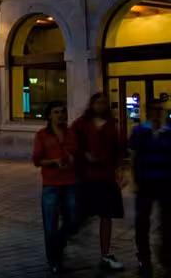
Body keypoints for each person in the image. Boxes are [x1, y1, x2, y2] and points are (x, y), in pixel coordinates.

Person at [70, 92, 125, 270]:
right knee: (81, 216)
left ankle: (105, 254)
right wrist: (84, 155)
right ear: (92, 104)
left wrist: (120, 170)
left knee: (106, 216)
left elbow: (118, 149)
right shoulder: (81, 123)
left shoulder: (111, 125)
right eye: (98, 102)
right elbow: (71, 144)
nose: (101, 105)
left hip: (106, 177)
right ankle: (64, 239)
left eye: (104, 103)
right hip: (87, 177)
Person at [33, 101, 78, 277]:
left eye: (63, 112)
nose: (60, 115)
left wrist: (74, 158)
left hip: (70, 182)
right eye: (56, 112)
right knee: (50, 224)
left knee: (73, 220)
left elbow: (77, 153)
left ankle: (58, 243)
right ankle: (54, 260)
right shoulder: (42, 135)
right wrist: (53, 162)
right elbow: (37, 160)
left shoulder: (71, 133)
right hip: (51, 184)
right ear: (49, 115)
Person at [129, 101, 171, 276]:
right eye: (154, 110)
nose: (157, 114)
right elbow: (133, 156)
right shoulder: (139, 132)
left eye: (160, 110)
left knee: (167, 221)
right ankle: (144, 259)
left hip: (166, 182)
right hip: (145, 182)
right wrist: (133, 180)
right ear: (147, 112)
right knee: (142, 222)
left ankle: (166, 256)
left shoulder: (168, 132)